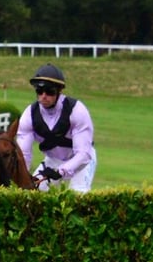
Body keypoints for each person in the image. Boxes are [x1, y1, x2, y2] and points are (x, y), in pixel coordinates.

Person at [16, 64, 97, 193]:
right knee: (32, 192)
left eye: (49, 91)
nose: (44, 96)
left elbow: (83, 153)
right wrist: (23, 176)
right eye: (39, 91)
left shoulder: (77, 110)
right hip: (53, 161)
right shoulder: (29, 115)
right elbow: (24, 154)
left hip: (82, 161)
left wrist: (61, 171)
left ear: (59, 91)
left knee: (77, 194)